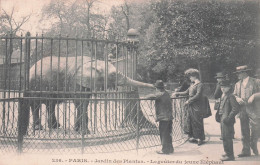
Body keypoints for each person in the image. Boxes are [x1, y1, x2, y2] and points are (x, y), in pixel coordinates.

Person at [122, 78, 174, 154]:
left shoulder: (159, 94)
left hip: (163, 117)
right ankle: (170, 149)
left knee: (164, 134)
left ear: (157, 88)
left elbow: (152, 96)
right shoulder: (166, 93)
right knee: (168, 133)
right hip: (169, 117)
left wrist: (142, 98)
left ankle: (165, 150)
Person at [174, 68, 211, 146]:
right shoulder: (192, 84)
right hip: (191, 105)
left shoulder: (200, 84)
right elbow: (186, 92)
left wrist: (189, 101)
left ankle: (200, 138)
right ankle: (194, 136)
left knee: (197, 121)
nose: (190, 78)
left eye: (190, 77)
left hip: (197, 106)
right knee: (191, 121)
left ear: (195, 76)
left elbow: (198, 95)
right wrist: (177, 93)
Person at [233, 65, 260, 157]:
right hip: (243, 109)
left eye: (239, 73)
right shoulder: (237, 84)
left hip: (254, 110)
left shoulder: (256, 81)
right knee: (244, 130)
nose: (237, 75)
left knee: (256, 128)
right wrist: (237, 98)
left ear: (244, 73)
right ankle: (246, 150)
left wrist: (254, 96)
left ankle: (253, 143)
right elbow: (234, 95)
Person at [216, 80, 240, 161]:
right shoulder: (223, 95)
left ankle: (230, 156)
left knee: (227, 137)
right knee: (224, 137)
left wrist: (229, 118)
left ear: (229, 87)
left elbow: (235, 108)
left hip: (227, 120)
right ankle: (227, 152)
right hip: (222, 118)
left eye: (225, 87)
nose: (223, 89)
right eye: (222, 87)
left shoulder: (231, 96)